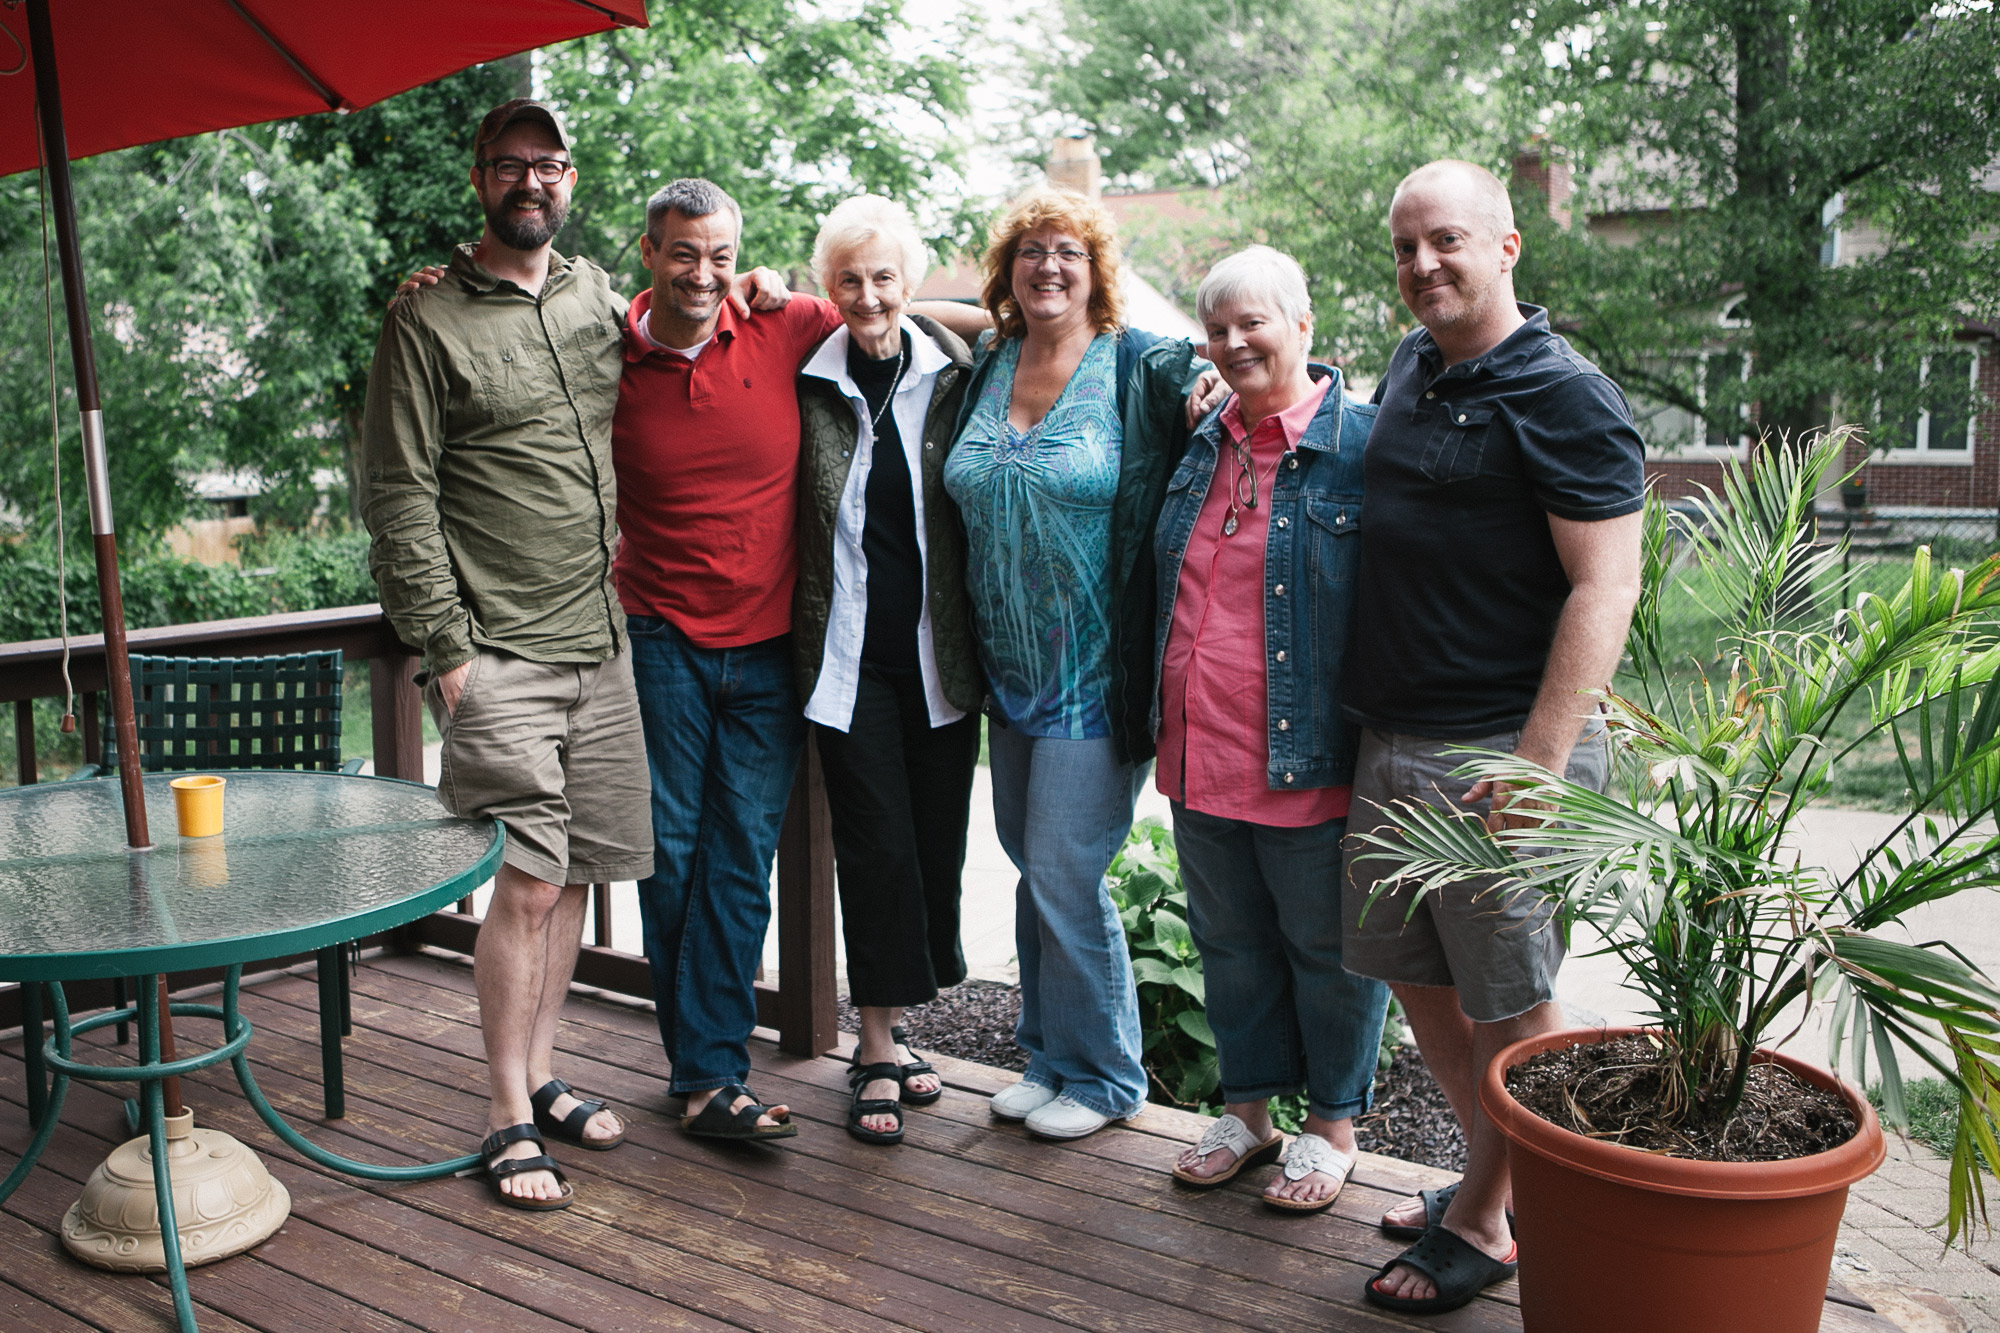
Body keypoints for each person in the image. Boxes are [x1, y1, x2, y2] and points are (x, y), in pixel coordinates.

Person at [1342, 160, 1644, 1314]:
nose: (1423, 265)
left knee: (1513, 1003)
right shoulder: (1416, 362)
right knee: (1420, 980)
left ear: (1506, 246)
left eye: (1447, 242)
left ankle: (1484, 1217)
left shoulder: (1563, 392)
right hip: (1394, 737)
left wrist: (1540, 762)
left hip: (1499, 756)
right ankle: (1496, 1177)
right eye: (1407, 247)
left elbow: (1603, 585)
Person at [360, 98, 651, 1211]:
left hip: (601, 641)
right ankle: (502, 1113)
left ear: (570, 179)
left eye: (549, 164)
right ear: (478, 179)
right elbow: (400, 495)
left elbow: (690, 324)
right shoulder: (424, 320)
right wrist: (447, 657)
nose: (531, 182)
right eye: (510, 166)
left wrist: (759, 289)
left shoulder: (590, 298)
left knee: (575, 875)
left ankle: (541, 1069)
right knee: (523, 887)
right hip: (500, 652)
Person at [943, 187, 1207, 1141]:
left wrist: (1213, 392)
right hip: (1004, 672)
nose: (1047, 267)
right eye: (1028, 253)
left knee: (1064, 867)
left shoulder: (1141, 367)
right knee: (1031, 865)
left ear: (1097, 271)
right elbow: (907, 316)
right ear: (1006, 273)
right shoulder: (988, 362)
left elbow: (1269, 373)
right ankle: (1047, 1053)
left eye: (1067, 252)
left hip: (1097, 672)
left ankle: (1105, 1077)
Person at [1155, 246, 1391, 1210]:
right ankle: (1247, 1114)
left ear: (1304, 323)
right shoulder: (1204, 437)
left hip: (1305, 755)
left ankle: (1331, 1128)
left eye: (1254, 321)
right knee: (1230, 942)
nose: (1234, 341)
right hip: (1196, 744)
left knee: (1327, 952)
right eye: (1217, 328)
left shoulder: (1363, 446)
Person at [792, 196, 982, 1145]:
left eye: (884, 278)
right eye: (850, 280)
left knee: (935, 843)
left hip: (940, 657)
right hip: (847, 657)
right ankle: (871, 1045)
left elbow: (1036, 324)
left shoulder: (957, 372)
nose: (868, 297)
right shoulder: (807, 377)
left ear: (910, 283)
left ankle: (899, 1024)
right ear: (827, 289)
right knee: (873, 845)